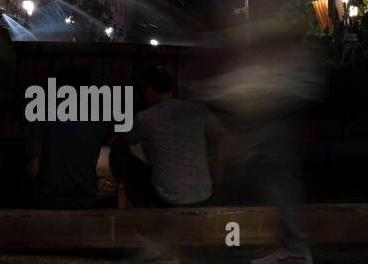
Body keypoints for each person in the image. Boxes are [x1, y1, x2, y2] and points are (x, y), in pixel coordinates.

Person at [113, 66, 225, 208]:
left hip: (168, 197)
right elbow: (221, 134)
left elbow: (121, 142)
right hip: (202, 193)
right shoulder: (197, 109)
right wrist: (218, 169)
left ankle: (141, 210)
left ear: (148, 91)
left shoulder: (146, 117)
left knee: (120, 157)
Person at [27, 65, 113, 209]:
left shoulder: (41, 116)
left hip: (49, 201)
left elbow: (33, 172)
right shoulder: (102, 119)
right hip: (86, 200)